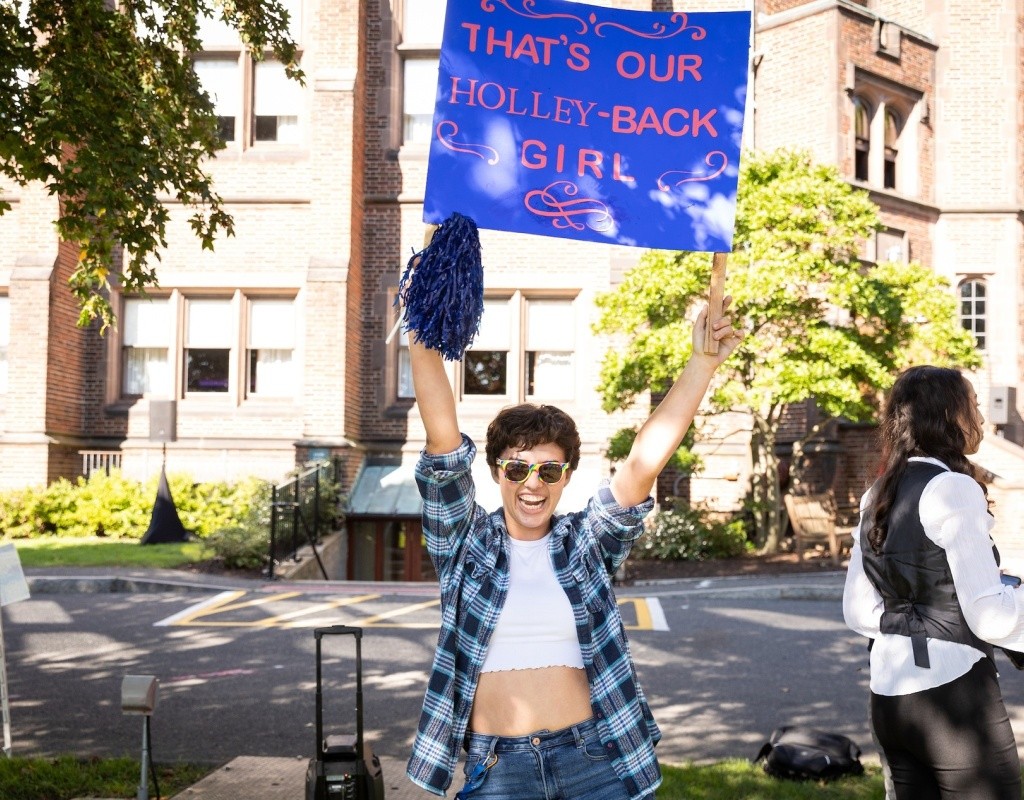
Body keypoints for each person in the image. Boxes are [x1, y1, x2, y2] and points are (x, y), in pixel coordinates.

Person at [404, 302, 741, 800]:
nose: (531, 484)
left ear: (566, 477)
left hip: (593, 760)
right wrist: (422, 330)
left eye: (549, 470)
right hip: (499, 770)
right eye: (517, 469)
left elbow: (642, 465)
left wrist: (702, 365)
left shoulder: (584, 543)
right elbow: (442, 437)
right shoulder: (465, 543)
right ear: (498, 472)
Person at [843, 364, 1024, 800]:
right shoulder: (952, 488)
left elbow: (858, 611)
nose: (981, 418)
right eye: (974, 406)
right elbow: (991, 618)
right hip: (954, 699)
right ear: (948, 415)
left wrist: (922, 617)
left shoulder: (878, 492)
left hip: (889, 697)